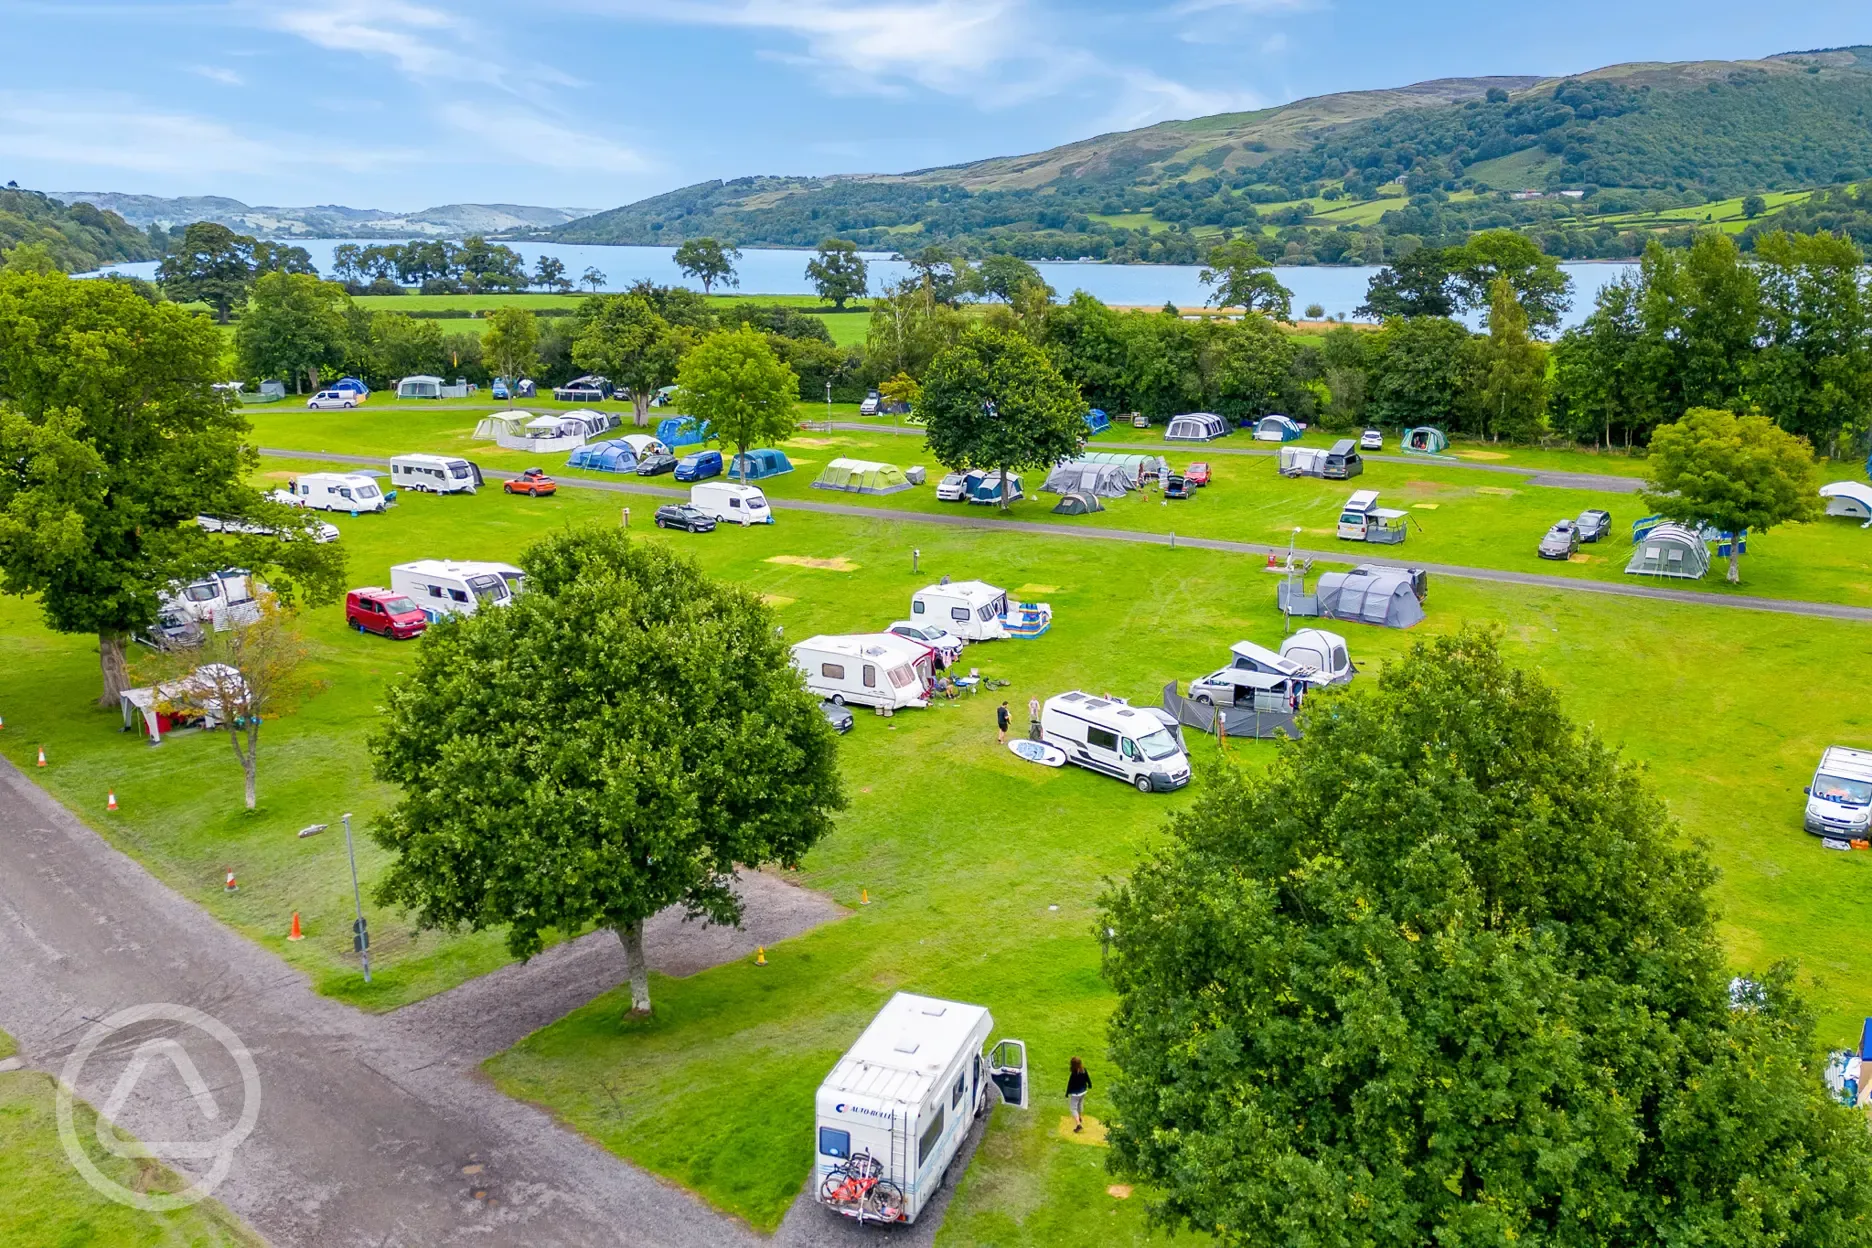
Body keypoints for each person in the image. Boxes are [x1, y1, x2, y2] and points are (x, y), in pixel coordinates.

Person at [1066, 1057, 1091, 1132]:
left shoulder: (1074, 1074)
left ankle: (1078, 1124)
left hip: (1076, 1093)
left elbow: (1070, 1084)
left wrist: (1067, 1093)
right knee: (1080, 1104)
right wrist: (1090, 1084)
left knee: (1073, 1108)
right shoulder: (1084, 1070)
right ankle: (1079, 1117)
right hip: (1083, 1091)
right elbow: (1087, 1078)